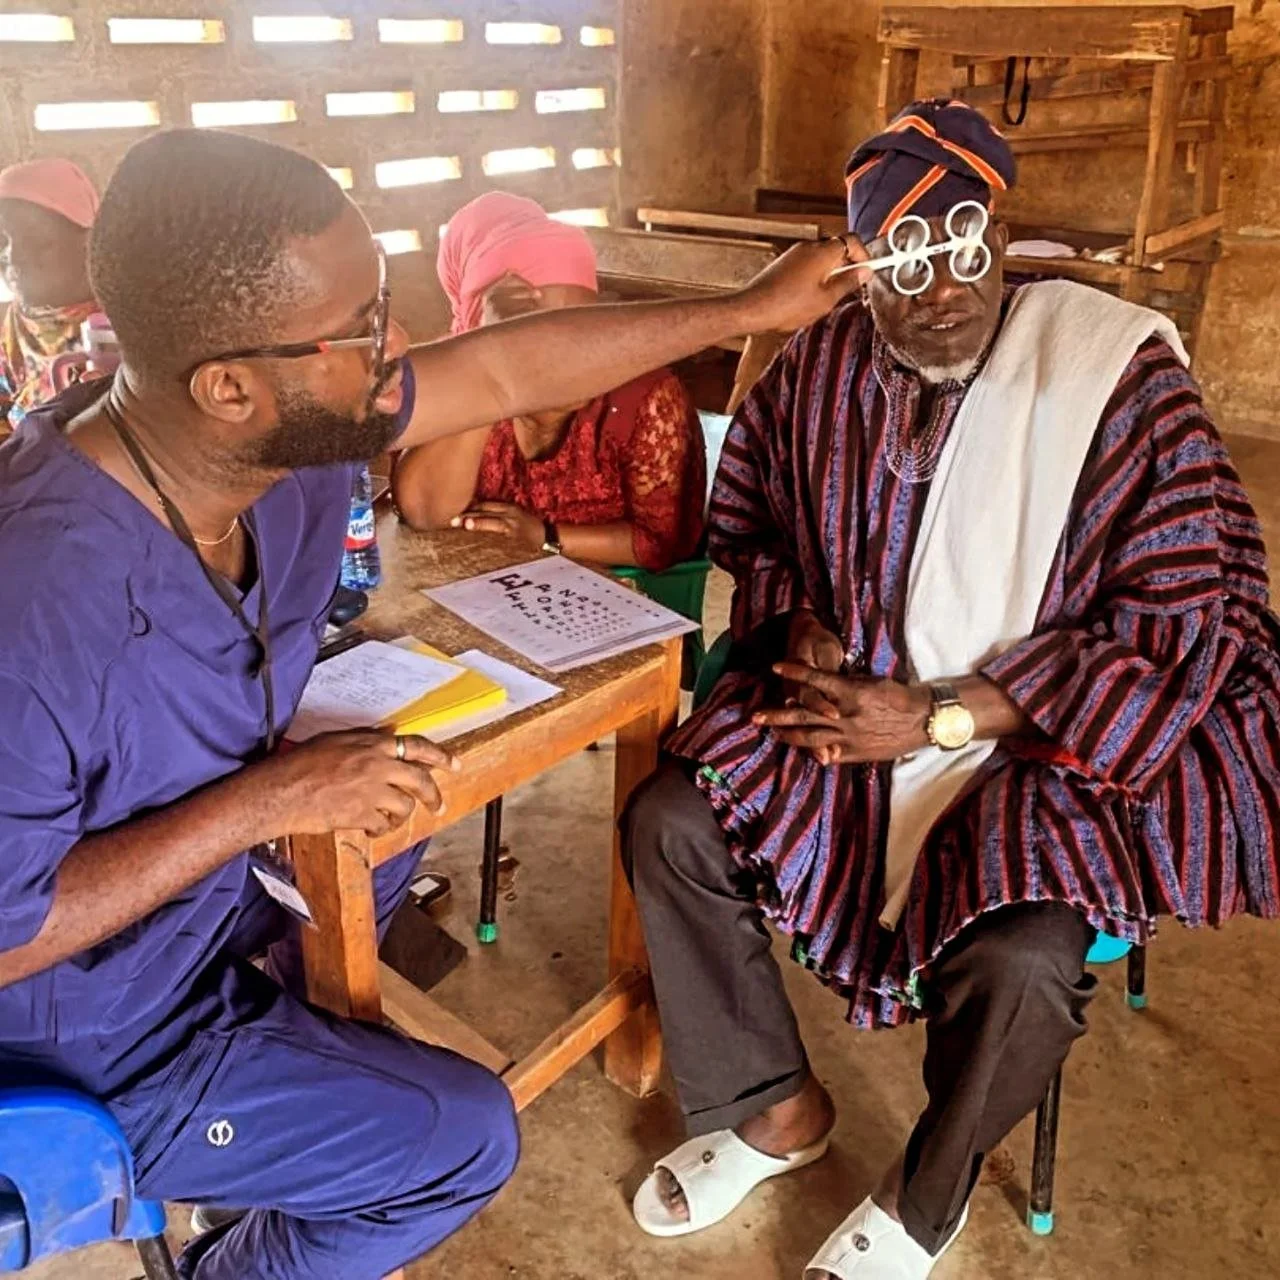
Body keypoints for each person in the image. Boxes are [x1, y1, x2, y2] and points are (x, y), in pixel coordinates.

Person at [0, 128, 859, 1280]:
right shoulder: (35, 605)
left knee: (395, 827)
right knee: (461, 1139)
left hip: (211, 910)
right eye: (361, 329)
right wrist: (271, 796)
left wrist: (747, 309)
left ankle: (283, 1109)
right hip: (95, 1032)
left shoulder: (277, 444)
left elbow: (505, 371)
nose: (395, 345)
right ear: (229, 385)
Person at [620, 98, 1280, 1280]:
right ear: (859, 270)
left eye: (963, 243)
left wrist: (941, 713)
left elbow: (1190, 622)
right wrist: (801, 623)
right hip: (854, 709)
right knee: (670, 820)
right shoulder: (817, 365)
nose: (941, 290)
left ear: (999, 231)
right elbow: (754, 522)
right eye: (905, 261)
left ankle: (923, 1197)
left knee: (1023, 954)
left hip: (1043, 737)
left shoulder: (1113, 379)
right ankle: (772, 1105)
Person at [393, 192, 706, 569]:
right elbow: (426, 513)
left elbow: (665, 541)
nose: (569, 359)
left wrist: (546, 536)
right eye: (539, 339)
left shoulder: (644, 397)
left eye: (581, 328)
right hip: (490, 600)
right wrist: (486, 370)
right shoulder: (455, 377)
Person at [0, 157, 102, 433]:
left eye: (36, 240)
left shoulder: (129, 328)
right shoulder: (14, 328)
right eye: (4, 240)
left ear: (88, 243)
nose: (15, 257)